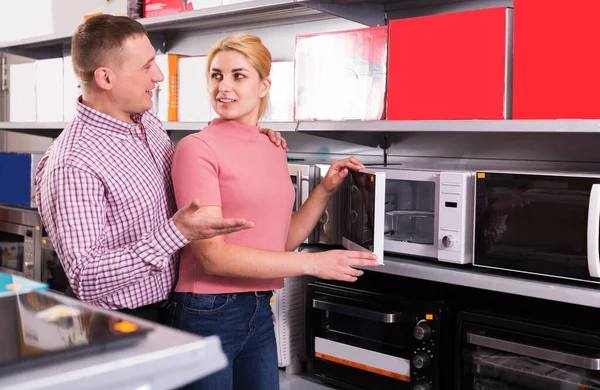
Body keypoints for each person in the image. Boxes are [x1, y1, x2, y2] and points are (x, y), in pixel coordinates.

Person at [34, 15, 288, 323]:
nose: (158, 76)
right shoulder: (74, 163)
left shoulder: (147, 123)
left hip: (179, 307)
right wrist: (175, 232)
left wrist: (250, 136)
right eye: (146, 66)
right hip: (120, 324)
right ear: (105, 78)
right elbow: (87, 278)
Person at [168, 33, 379, 390]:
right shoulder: (195, 149)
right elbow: (213, 258)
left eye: (238, 75)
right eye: (216, 75)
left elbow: (280, 242)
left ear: (264, 85)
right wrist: (314, 264)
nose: (223, 86)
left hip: (259, 309)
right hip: (206, 311)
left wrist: (325, 190)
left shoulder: (273, 147)